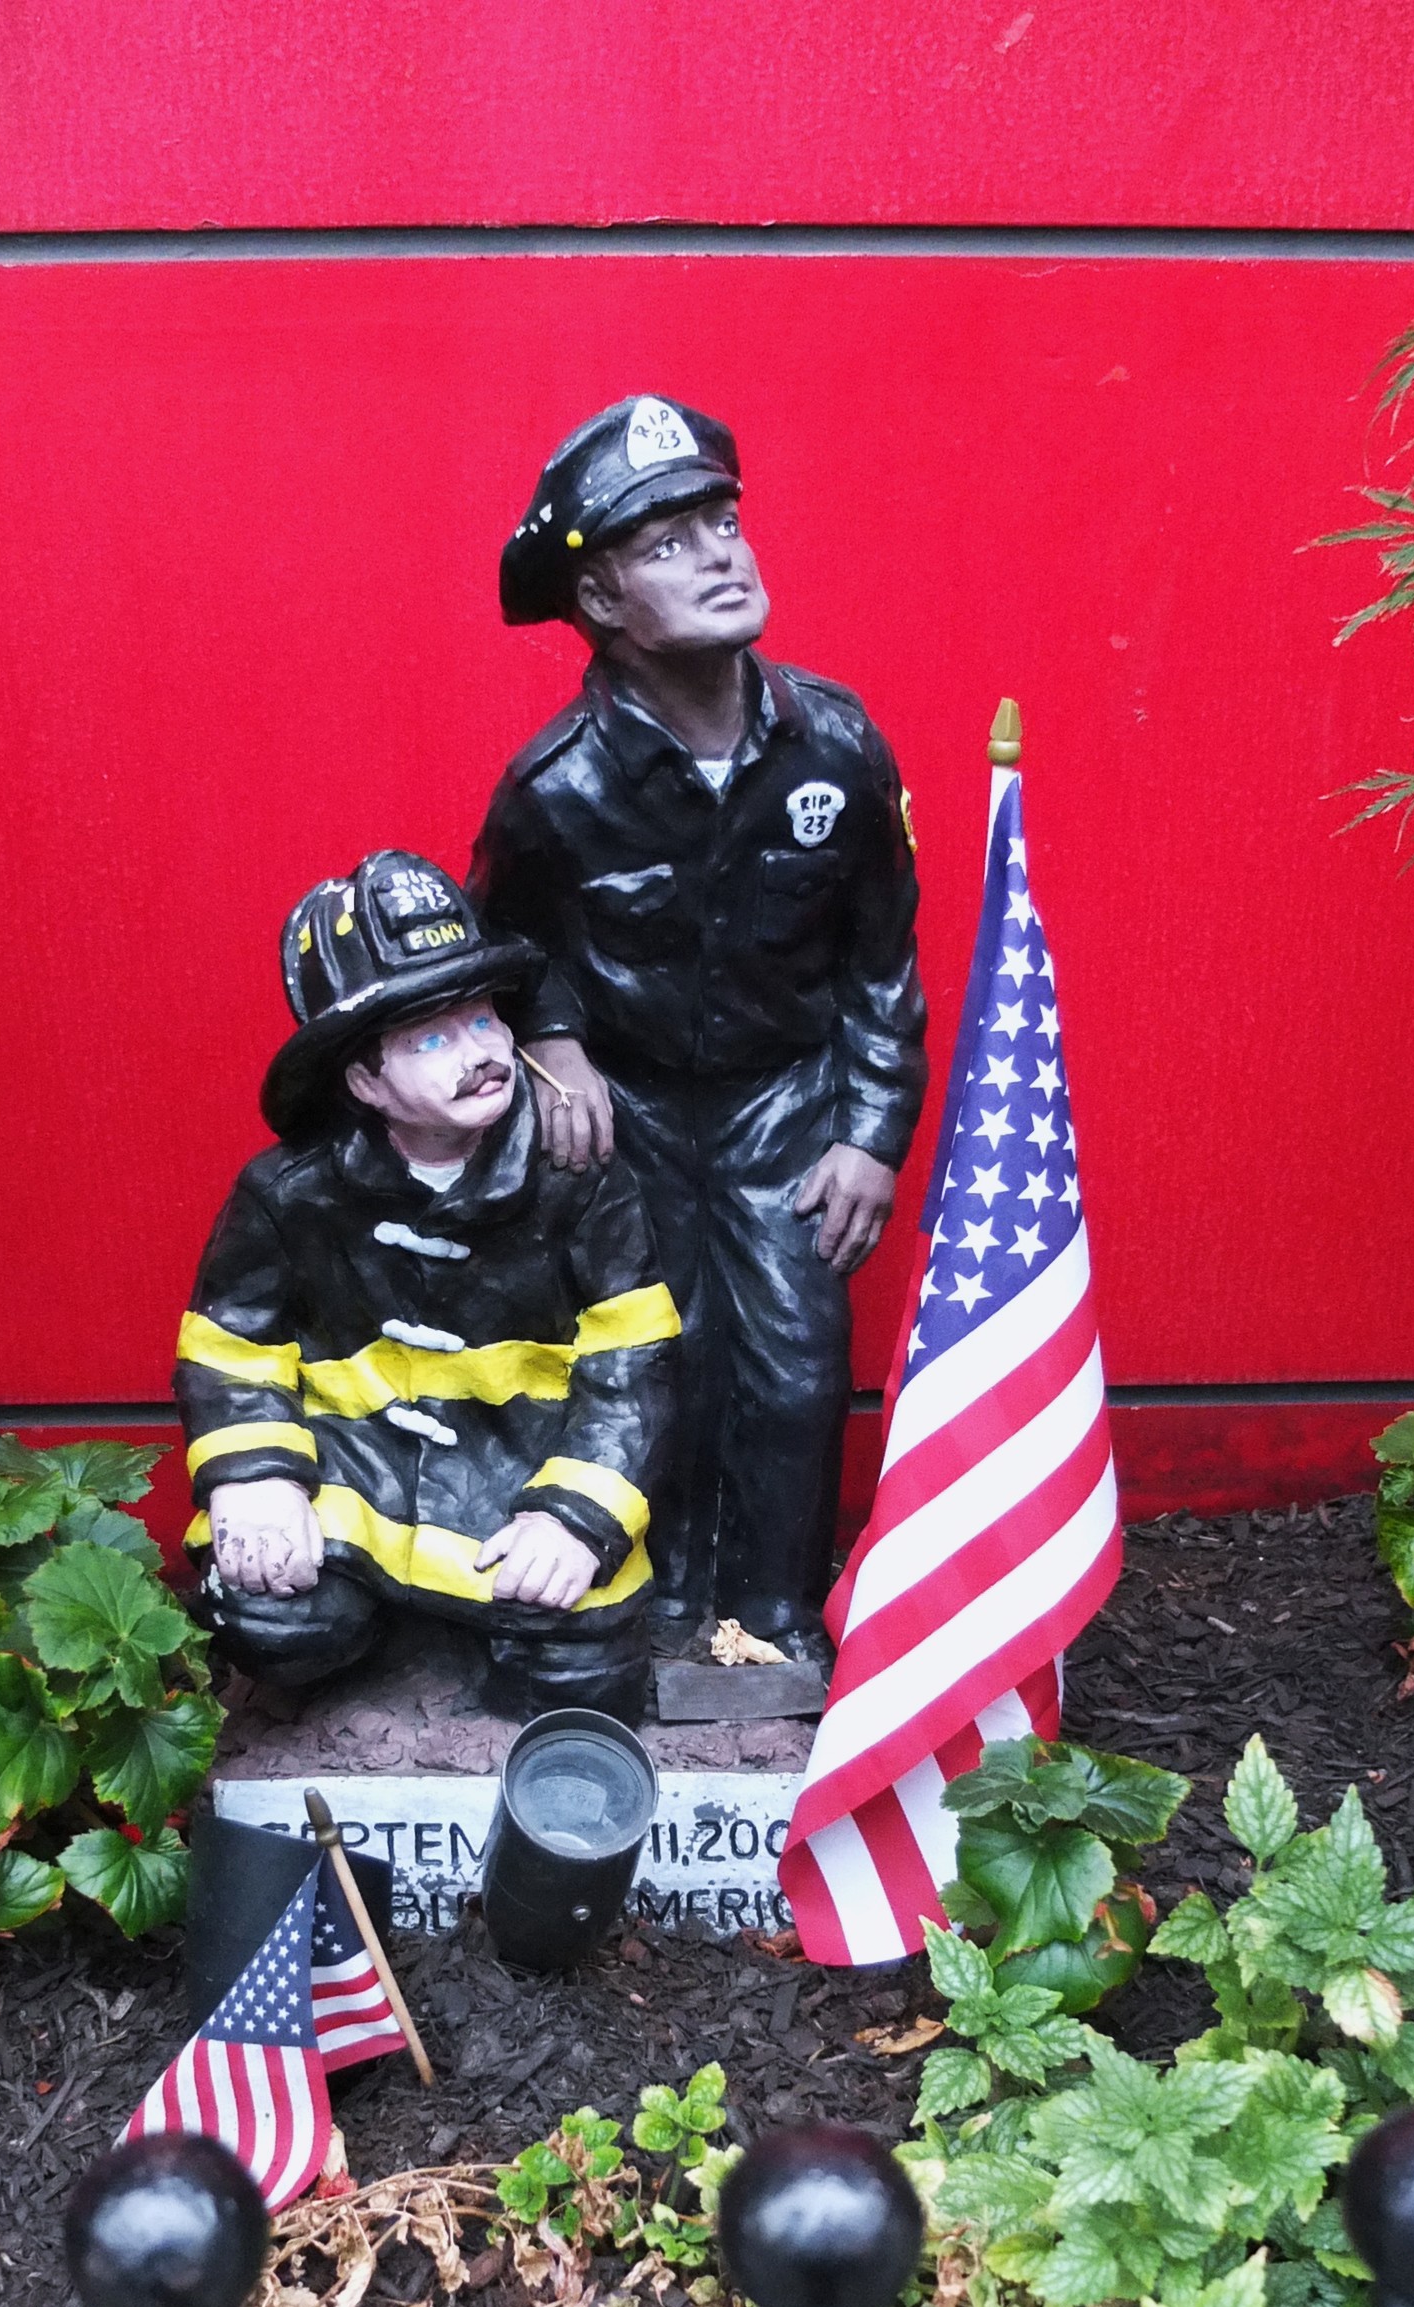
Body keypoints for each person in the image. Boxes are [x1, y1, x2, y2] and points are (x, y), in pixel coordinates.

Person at [469, 393, 927, 1657]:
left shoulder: (837, 745)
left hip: (787, 1105)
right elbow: (499, 950)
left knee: (795, 1359)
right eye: (669, 543)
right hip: (637, 1116)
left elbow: (882, 957)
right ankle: (654, 1605)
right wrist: (552, 1039)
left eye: (723, 521)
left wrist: (871, 1132)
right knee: (649, 1354)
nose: (723, 554)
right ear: (600, 599)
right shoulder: (557, 784)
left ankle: (771, 1618)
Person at [175, 850, 679, 1723]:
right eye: (433, 1040)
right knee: (274, 1624)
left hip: (525, 1469)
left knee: (579, 1679)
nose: (480, 1054)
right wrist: (255, 1477)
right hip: (353, 1476)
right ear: (365, 1081)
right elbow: (231, 1347)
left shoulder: (580, 1181)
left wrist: (577, 1516)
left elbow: (634, 1361)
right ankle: (376, 1629)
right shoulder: (289, 1194)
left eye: (484, 1021)